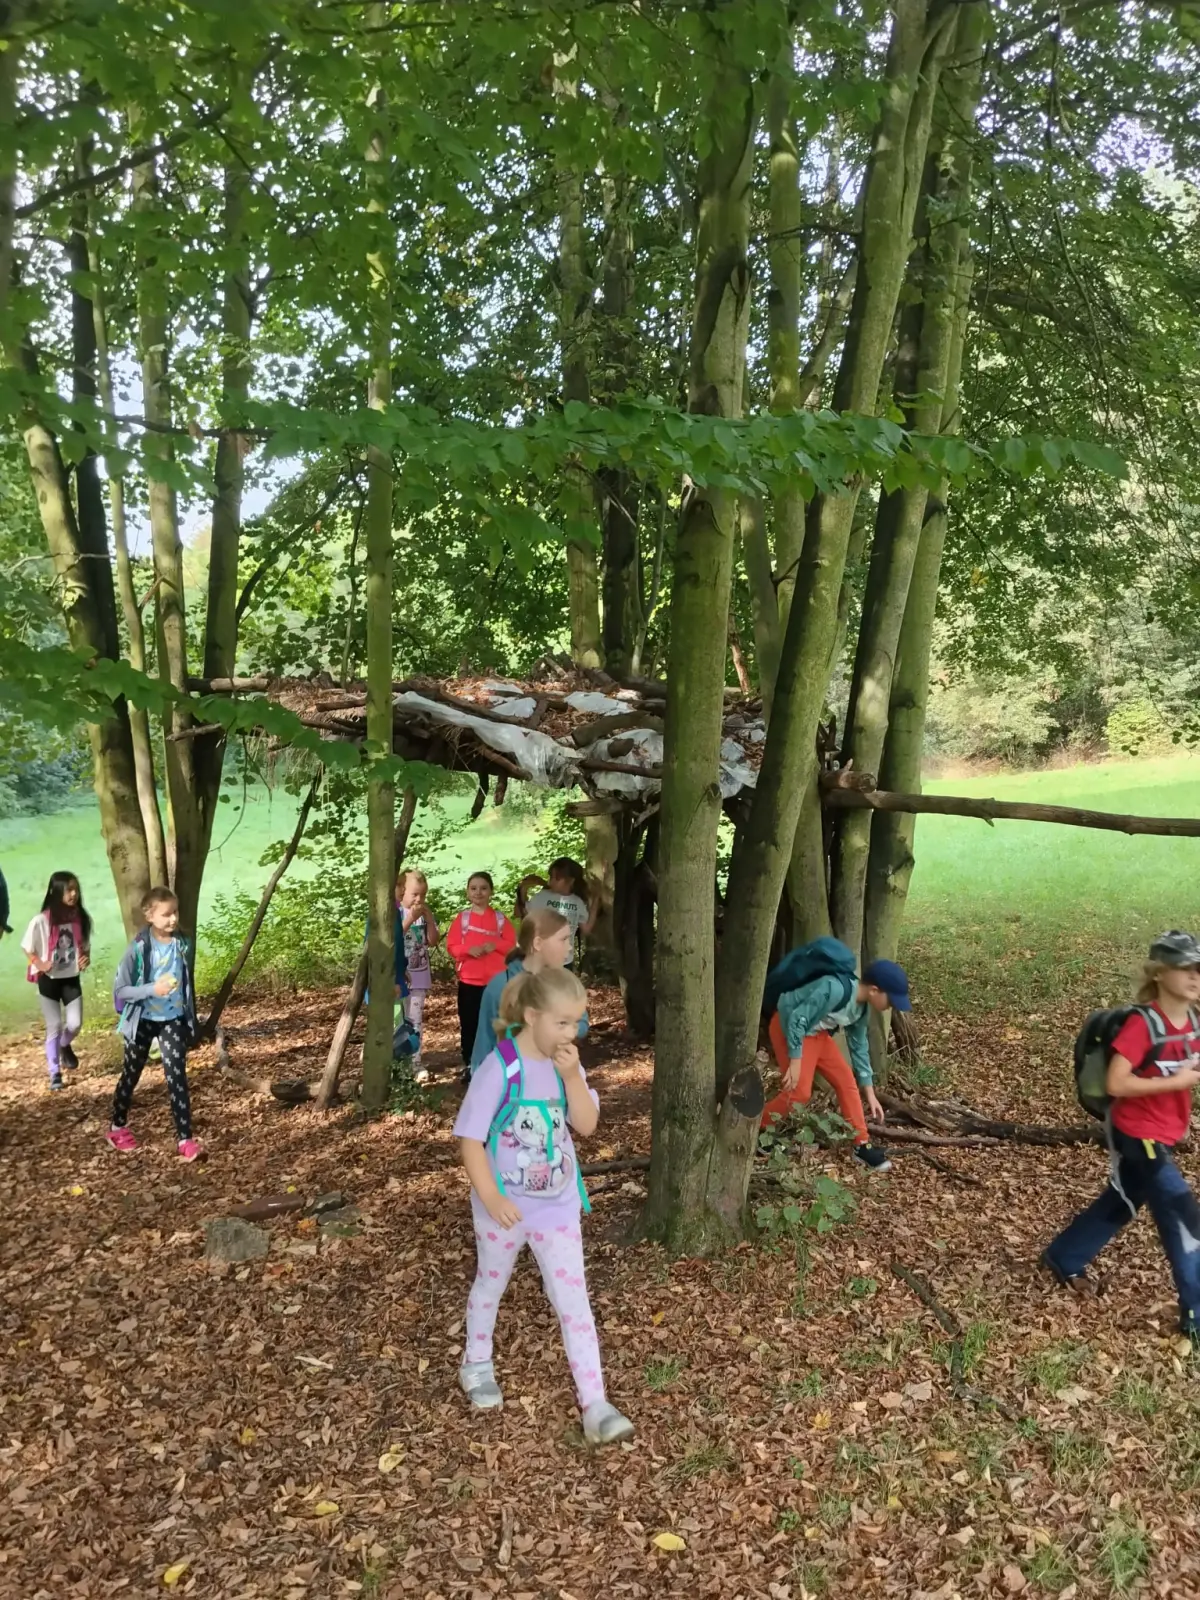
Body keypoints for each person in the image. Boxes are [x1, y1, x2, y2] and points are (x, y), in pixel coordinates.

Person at [454, 965, 633, 1445]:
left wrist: (573, 1076)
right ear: (532, 1016)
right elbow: (470, 1139)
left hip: (556, 1207)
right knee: (491, 1282)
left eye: (576, 1021)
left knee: (574, 1301)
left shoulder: (564, 1065)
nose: (571, 1032)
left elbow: (587, 1125)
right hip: (503, 1207)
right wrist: (491, 1197)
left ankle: (595, 1404)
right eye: (561, 1022)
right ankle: (476, 1363)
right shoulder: (500, 1068)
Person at [1042, 931, 1200, 1334]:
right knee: (1181, 1214)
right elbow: (1117, 1083)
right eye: (1185, 968)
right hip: (1137, 1132)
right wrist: (1177, 1082)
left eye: (1199, 969)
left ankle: (1065, 1255)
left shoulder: (1192, 1021)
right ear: (1159, 973)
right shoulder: (1142, 1025)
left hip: (1164, 1132)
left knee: (1126, 1197)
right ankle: (1196, 1312)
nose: (1194, 976)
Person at [761, 955, 911, 1173]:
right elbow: (797, 1019)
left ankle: (861, 1144)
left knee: (846, 1080)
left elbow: (859, 1048)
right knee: (799, 1092)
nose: (890, 1007)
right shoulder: (834, 989)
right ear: (874, 990)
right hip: (788, 1028)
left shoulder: (861, 1010)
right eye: (890, 1001)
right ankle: (759, 1129)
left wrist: (870, 1093)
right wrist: (795, 1060)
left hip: (817, 1035)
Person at [106, 886, 204, 1162]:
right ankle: (117, 1127)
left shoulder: (182, 944)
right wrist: (152, 989)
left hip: (172, 1020)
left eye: (175, 912)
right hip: (142, 1021)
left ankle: (185, 1140)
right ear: (149, 916)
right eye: (166, 914)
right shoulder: (138, 948)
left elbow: (186, 983)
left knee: (177, 1077)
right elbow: (121, 990)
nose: (173, 919)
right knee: (131, 1073)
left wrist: (187, 1016)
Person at [470, 906, 589, 1071]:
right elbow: (485, 1041)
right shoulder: (500, 985)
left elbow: (581, 1021)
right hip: (511, 1079)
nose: (569, 947)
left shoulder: (564, 982)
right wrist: (480, 1078)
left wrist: (560, 1029)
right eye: (563, 939)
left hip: (555, 1075)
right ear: (538, 943)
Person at [22, 871, 92, 1090]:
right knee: (54, 1025)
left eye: (76, 889)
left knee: (75, 1024)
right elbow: (27, 947)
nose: (74, 894)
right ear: (56, 892)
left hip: (71, 979)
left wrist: (85, 959)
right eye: (69, 890)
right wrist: (39, 963)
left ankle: (64, 1044)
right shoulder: (40, 921)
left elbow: (85, 947)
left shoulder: (80, 919)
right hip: (48, 980)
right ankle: (54, 1073)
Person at [446, 872, 514, 1068]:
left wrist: (496, 945)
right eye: (473, 888)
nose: (478, 892)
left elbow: (512, 945)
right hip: (469, 982)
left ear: (491, 891)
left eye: (483, 888)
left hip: (496, 982)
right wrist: (468, 950)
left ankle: (498, 1064)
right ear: (467, 892)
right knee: (470, 1024)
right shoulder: (463, 919)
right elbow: (452, 946)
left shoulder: (500, 919)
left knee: (497, 1023)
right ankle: (470, 1064)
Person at [398, 869, 441, 1080]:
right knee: (398, 1021)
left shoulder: (424, 915)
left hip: (419, 978)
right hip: (399, 978)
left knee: (415, 1021)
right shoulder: (397, 913)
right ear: (401, 891)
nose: (419, 899)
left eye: (423, 895)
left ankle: (415, 1063)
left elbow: (433, 941)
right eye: (414, 894)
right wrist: (410, 918)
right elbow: (395, 937)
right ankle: (398, 1064)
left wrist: (429, 919)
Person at [516, 857, 596, 966]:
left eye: (556, 878)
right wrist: (523, 890)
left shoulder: (577, 902)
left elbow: (586, 929)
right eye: (550, 877)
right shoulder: (543, 896)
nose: (551, 881)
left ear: (570, 881)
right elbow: (521, 914)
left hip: (565, 961)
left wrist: (596, 900)